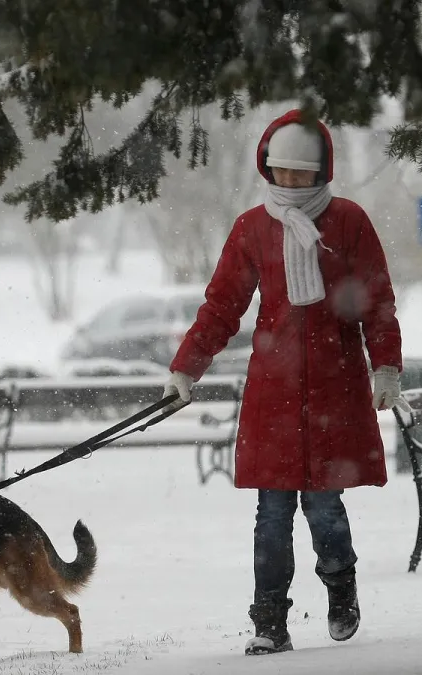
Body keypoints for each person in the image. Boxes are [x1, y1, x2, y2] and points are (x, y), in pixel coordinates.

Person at [163, 110, 407, 655]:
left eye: (302, 173)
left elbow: (377, 300)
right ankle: (269, 620)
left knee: (325, 509)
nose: (292, 183)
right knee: (271, 513)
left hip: (334, 386)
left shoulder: (348, 222)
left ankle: (340, 588)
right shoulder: (252, 227)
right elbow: (222, 306)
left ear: (322, 171)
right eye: (283, 172)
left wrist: (385, 366)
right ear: (268, 169)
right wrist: (187, 368)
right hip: (272, 394)